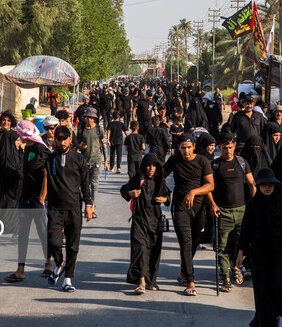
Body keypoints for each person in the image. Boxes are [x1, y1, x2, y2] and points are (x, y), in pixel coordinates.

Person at [236, 168, 282, 327]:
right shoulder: (253, 204)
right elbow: (246, 229)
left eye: (270, 184)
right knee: (262, 291)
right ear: (259, 186)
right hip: (259, 254)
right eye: (263, 184)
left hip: (279, 253)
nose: (267, 187)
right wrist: (241, 251)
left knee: (278, 287)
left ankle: (270, 317)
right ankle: (267, 322)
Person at [162, 133, 215, 296]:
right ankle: (190, 281)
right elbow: (160, 177)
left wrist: (193, 192)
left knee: (193, 243)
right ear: (179, 148)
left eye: (188, 147)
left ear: (194, 147)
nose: (186, 151)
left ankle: (183, 270)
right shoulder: (174, 160)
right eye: (183, 148)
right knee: (185, 242)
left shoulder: (202, 161)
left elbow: (210, 185)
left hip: (199, 209)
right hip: (180, 207)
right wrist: (164, 193)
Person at [45, 126, 93, 292]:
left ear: (70, 139)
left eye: (65, 138)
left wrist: (88, 204)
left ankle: (67, 279)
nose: (62, 141)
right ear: (55, 140)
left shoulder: (79, 159)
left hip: (74, 207)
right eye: (59, 138)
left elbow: (85, 183)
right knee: (53, 241)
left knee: (73, 245)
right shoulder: (49, 159)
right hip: (55, 208)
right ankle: (59, 264)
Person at [5, 120, 53, 282]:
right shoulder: (29, 148)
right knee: (23, 234)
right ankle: (20, 269)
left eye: (20, 134)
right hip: (25, 198)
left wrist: (42, 197)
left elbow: (47, 174)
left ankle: (48, 264)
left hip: (37, 200)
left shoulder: (41, 149)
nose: (19, 137)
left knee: (42, 232)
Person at [208, 133, 255, 291]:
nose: (227, 151)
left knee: (239, 244)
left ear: (234, 147)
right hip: (223, 212)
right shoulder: (214, 165)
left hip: (241, 210)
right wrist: (213, 205)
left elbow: (251, 183)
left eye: (230, 147)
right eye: (224, 148)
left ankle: (235, 267)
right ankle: (225, 276)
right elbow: (209, 187)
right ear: (219, 148)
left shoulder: (242, 163)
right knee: (222, 246)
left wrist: (255, 204)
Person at [120, 153, 170, 294]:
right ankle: (141, 281)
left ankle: (151, 281)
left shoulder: (160, 181)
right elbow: (124, 189)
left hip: (155, 221)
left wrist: (164, 200)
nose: (151, 169)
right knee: (140, 250)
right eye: (148, 166)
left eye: (154, 166)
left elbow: (168, 196)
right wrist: (130, 193)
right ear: (143, 167)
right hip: (139, 220)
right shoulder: (137, 180)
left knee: (154, 252)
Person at [0, 129, 23, 232]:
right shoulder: (6, 157)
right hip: (5, 192)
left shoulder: (13, 153)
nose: (19, 143)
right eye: (17, 141)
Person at [77, 107, 108, 216]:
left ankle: (92, 206)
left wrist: (106, 161)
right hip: (84, 161)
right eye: (87, 117)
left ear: (94, 118)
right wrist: (81, 146)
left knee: (94, 185)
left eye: (91, 117)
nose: (89, 119)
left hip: (96, 161)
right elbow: (78, 145)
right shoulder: (81, 129)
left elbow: (103, 145)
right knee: (84, 185)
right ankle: (87, 205)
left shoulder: (99, 129)